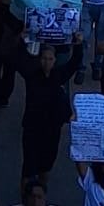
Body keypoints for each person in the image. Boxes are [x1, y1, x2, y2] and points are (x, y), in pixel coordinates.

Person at [18, 42, 72, 186]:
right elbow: (21, 60)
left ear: (54, 60)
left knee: (46, 166)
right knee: (29, 167)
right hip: (32, 128)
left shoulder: (58, 76)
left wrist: (78, 44)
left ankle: (40, 197)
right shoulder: (31, 75)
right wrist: (22, 41)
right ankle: (25, 199)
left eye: (50, 59)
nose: (46, 62)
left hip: (52, 129)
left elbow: (74, 64)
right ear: (39, 59)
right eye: (44, 58)